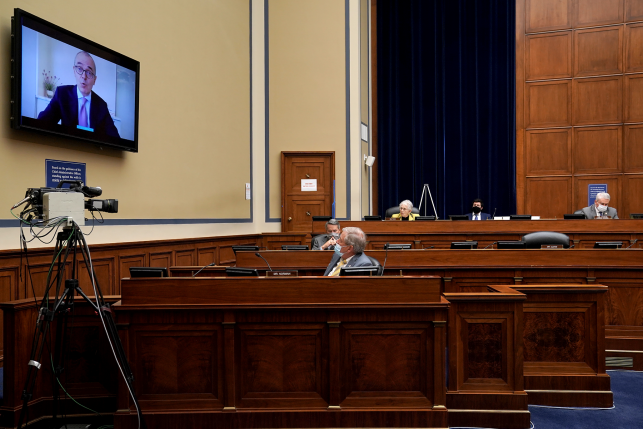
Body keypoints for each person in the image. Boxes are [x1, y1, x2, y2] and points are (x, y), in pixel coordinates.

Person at [37, 51, 120, 138]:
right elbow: (42, 123)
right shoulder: (62, 94)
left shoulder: (101, 105)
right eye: (79, 69)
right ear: (74, 71)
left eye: (89, 72)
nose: (84, 76)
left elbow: (115, 139)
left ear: (94, 80)